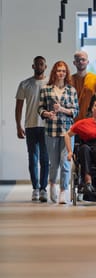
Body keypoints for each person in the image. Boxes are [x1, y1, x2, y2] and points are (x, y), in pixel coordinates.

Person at [38, 60, 79, 204]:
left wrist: (62, 109)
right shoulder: (46, 89)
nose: (60, 73)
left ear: (66, 73)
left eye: (63, 71)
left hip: (67, 132)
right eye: (58, 70)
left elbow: (75, 111)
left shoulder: (71, 90)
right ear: (54, 72)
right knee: (53, 163)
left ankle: (63, 190)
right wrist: (47, 114)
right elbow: (40, 108)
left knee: (66, 163)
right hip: (51, 130)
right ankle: (53, 185)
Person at [15, 56, 49, 202]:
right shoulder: (25, 84)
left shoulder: (50, 83)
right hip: (30, 125)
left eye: (42, 64)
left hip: (46, 126)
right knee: (33, 159)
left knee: (45, 159)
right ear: (33, 66)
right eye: (37, 64)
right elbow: (18, 107)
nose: (39, 66)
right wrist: (18, 125)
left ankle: (43, 189)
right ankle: (35, 188)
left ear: (45, 66)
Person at [71, 50, 96, 121]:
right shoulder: (68, 80)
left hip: (91, 120)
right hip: (72, 121)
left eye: (83, 60)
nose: (81, 62)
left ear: (87, 62)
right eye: (78, 60)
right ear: (74, 63)